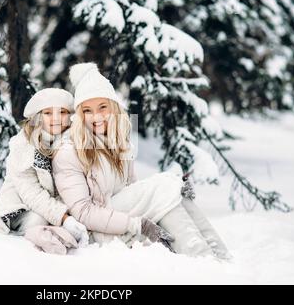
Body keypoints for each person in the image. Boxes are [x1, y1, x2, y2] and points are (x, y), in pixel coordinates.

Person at [52, 63, 231, 259]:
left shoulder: (120, 140)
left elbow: (132, 188)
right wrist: (136, 224)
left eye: (102, 107)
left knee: (170, 194)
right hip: (96, 228)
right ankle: (203, 260)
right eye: (87, 110)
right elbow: (83, 213)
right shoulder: (69, 151)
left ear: (114, 107)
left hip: (118, 212)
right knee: (163, 190)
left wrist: (172, 187)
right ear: (79, 115)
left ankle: (220, 257)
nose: (96, 117)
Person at [0, 88, 89, 248]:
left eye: (62, 112)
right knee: (38, 220)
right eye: (48, 113)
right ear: (37, 117)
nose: (56, 118)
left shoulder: (72, 142)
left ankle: (59, 235)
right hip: (21, 206)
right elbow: (31, 193)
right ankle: (46, 239)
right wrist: (63, 217)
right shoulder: (23, 145)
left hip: (54, 207)